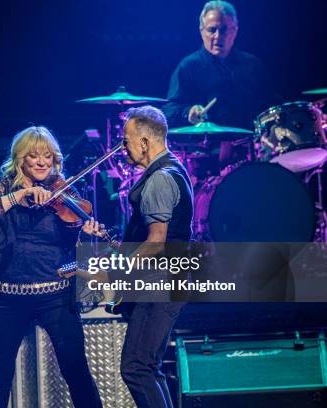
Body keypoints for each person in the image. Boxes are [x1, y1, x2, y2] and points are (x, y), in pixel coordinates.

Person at [0, 126, 102, 408]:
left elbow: (75, 234)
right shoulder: (5, 186)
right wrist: (18, 197)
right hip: (7, 297)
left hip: (55, 294)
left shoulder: (64, 188)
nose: (42, 162)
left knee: (76, 371)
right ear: (20, 159)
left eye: (48, 156)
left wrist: (86, 231)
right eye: (34, 156)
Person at [85, 106, 193, 408]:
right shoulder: (174, 169)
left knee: (136, 368)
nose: (123, 148)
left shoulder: (159, 179)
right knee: (147, 368)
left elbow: (157, 243)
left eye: (126, 140)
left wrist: (114, 272)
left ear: (145, 142)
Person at [163, 1, 278, 129]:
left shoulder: (252, 65)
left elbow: (273, 106)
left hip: (251, 145)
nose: (218, 36)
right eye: (212, 30)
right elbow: (169, 111)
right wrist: (188, 112)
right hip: (207, 146)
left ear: (235, 31)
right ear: (201, 31)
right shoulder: (189, 66)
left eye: (224, 30)